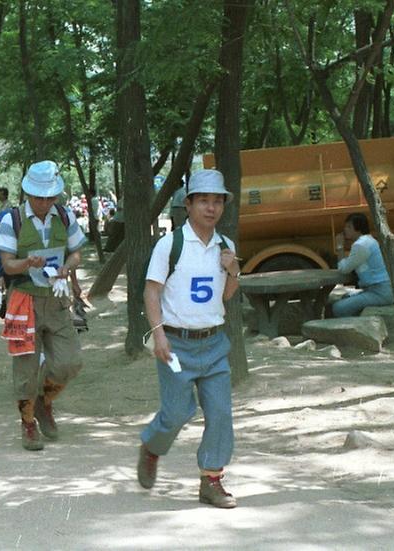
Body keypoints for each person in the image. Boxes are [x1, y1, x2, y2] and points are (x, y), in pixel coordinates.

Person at [137, 168, 241, 509]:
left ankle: (211, 480)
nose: (211, 208)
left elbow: (226, 296)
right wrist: (159, 334)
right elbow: (152, 292)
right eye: (204, 201)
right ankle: (152, 446)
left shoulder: (226, 246)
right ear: (189, 204)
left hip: (214, 344)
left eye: (217, 201)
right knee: (178, 412)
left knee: (221, 413)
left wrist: (233, 271)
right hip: (177, 344)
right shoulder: (170, 245)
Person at [0, 160, 86, 451]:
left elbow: (76, 254)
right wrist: (26, 262)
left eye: (49, 197)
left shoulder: (65, 215)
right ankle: (28, 422)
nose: (45, 202)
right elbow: (7, 266)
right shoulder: (12, 220)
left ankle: (45, 401)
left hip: (57, 298)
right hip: (24, 300)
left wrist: (67, 268)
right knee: (26, 367)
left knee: (69, 361)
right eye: (39, 197)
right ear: (28, 194)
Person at [331, 213, 394, 317]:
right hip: (378, 290)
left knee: (338, 308)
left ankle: (353, 329)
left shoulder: (361, 245)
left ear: (358, 228)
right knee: (345, 297)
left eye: (349, 227)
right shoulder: (369, 240)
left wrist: (340, 246)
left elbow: (343, 269)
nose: (345, 229)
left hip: (379, 292)